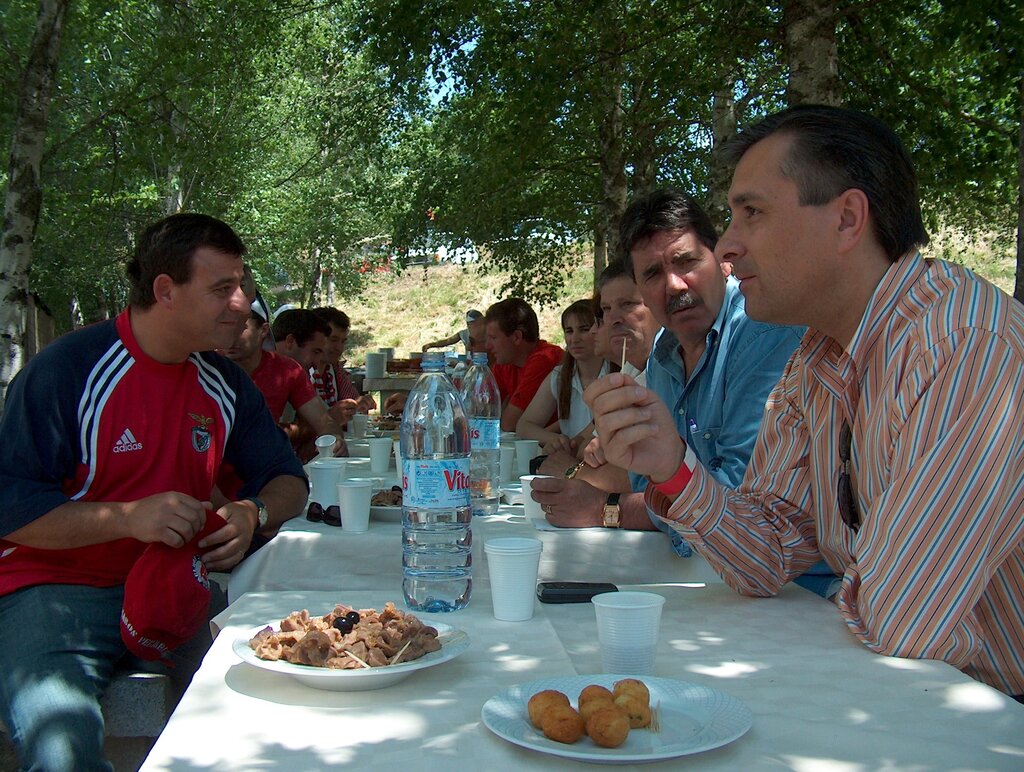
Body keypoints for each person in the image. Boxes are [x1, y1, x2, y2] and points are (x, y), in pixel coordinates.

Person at [586, 105, 1024, 698]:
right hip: (902, 691)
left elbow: (903, 622)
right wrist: (671, 468)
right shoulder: (818, 356)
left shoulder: (962, 344)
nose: (731, 247)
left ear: (847, 219)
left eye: (752, 214)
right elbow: (766, 555)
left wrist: (847, 575)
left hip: (991, 714)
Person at [0, 213, 309, 768]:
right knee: (60, 750)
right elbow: (9, 508)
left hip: (175, 587)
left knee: (291, 698)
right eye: (222, 288)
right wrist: (125, 518)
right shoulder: (67, 370)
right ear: (165, 290)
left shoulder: (222, 380)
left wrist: (252, 511)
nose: (242, 303)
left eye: (243, 286)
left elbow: (289, 480)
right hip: (52, 591)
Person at [531, 262, 660, 528]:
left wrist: (571, 471)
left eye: (628, 304)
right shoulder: (629, 373)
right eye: (606, 310)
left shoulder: (663, 375)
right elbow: (587, 448)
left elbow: (641, 476)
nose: (612, 319)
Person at [220, 299, 346, 464]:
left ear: (264, 330)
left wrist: (335, 439)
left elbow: (324, 423)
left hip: (267, 474)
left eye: (242, 327)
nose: (231, 335)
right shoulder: (205, 367)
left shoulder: (288, 370)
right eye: (225, 326)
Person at [516, 299, 609, 456]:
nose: (575, 339)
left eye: (584, 329)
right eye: (569, 331)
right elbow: (524, 425)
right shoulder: (560, 376)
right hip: (570, 461)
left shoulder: (617, 373)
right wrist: (555, 439)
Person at [484, 298, 564, 431]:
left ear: (516, 337)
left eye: (493, 338)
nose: (487, 346)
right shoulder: (504, 362)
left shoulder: (544, 359)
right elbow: (482, 411)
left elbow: (509, 424)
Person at [311, 307, 376, 426]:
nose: (339, 348)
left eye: (343, 341)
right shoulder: (301, 371)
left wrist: (359, 404)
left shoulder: (334, 370)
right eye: (333, 340)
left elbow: (353, 404)